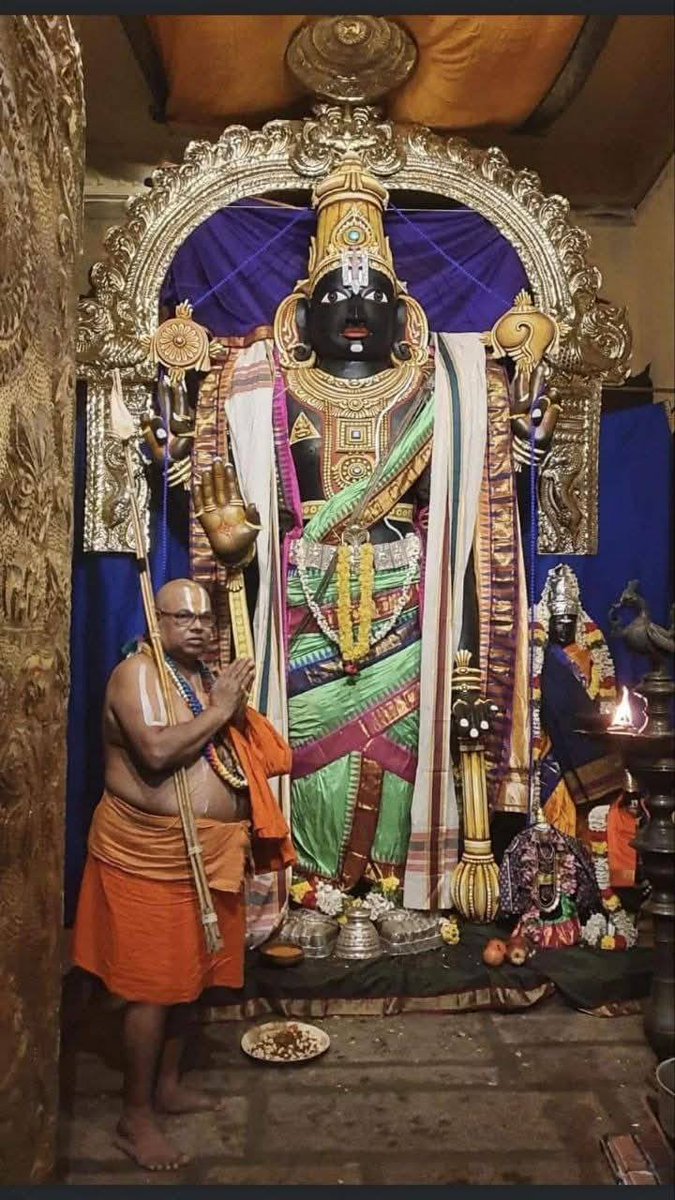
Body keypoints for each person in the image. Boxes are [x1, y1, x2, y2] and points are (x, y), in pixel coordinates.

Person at [185, 153, 560, 921]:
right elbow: (243, 497)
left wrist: (513, 442)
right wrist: (234, 548)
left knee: (406, 740)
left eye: (373, 292)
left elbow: (467, 496)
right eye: (336, 291)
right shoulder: (265, 387)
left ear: (403, 315)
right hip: (301, 599)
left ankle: (393, 881)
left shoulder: (442, 386)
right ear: (300, 311)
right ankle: (313, 881)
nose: (354, 305)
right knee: (307, 741)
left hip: (407, 599)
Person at [71, 579, 294, 1171]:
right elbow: (156, 752)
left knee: (191, 976)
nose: (198, 625)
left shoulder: (199, 680)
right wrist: (223, 708)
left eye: (205, 617)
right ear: (157, 619)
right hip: (148, 854)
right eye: (183, 616)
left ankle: (167, 1086)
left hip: (210, 852)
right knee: (151, 986)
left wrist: (227, 708)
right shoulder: (139, 675)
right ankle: (134, 1114)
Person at [532, 563, 624, 843]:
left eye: (569, 623)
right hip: (554, 747)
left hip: (590, 740)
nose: (563, 628)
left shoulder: (588, 655)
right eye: (558, 622)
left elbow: (602, 697)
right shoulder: (546, 661)